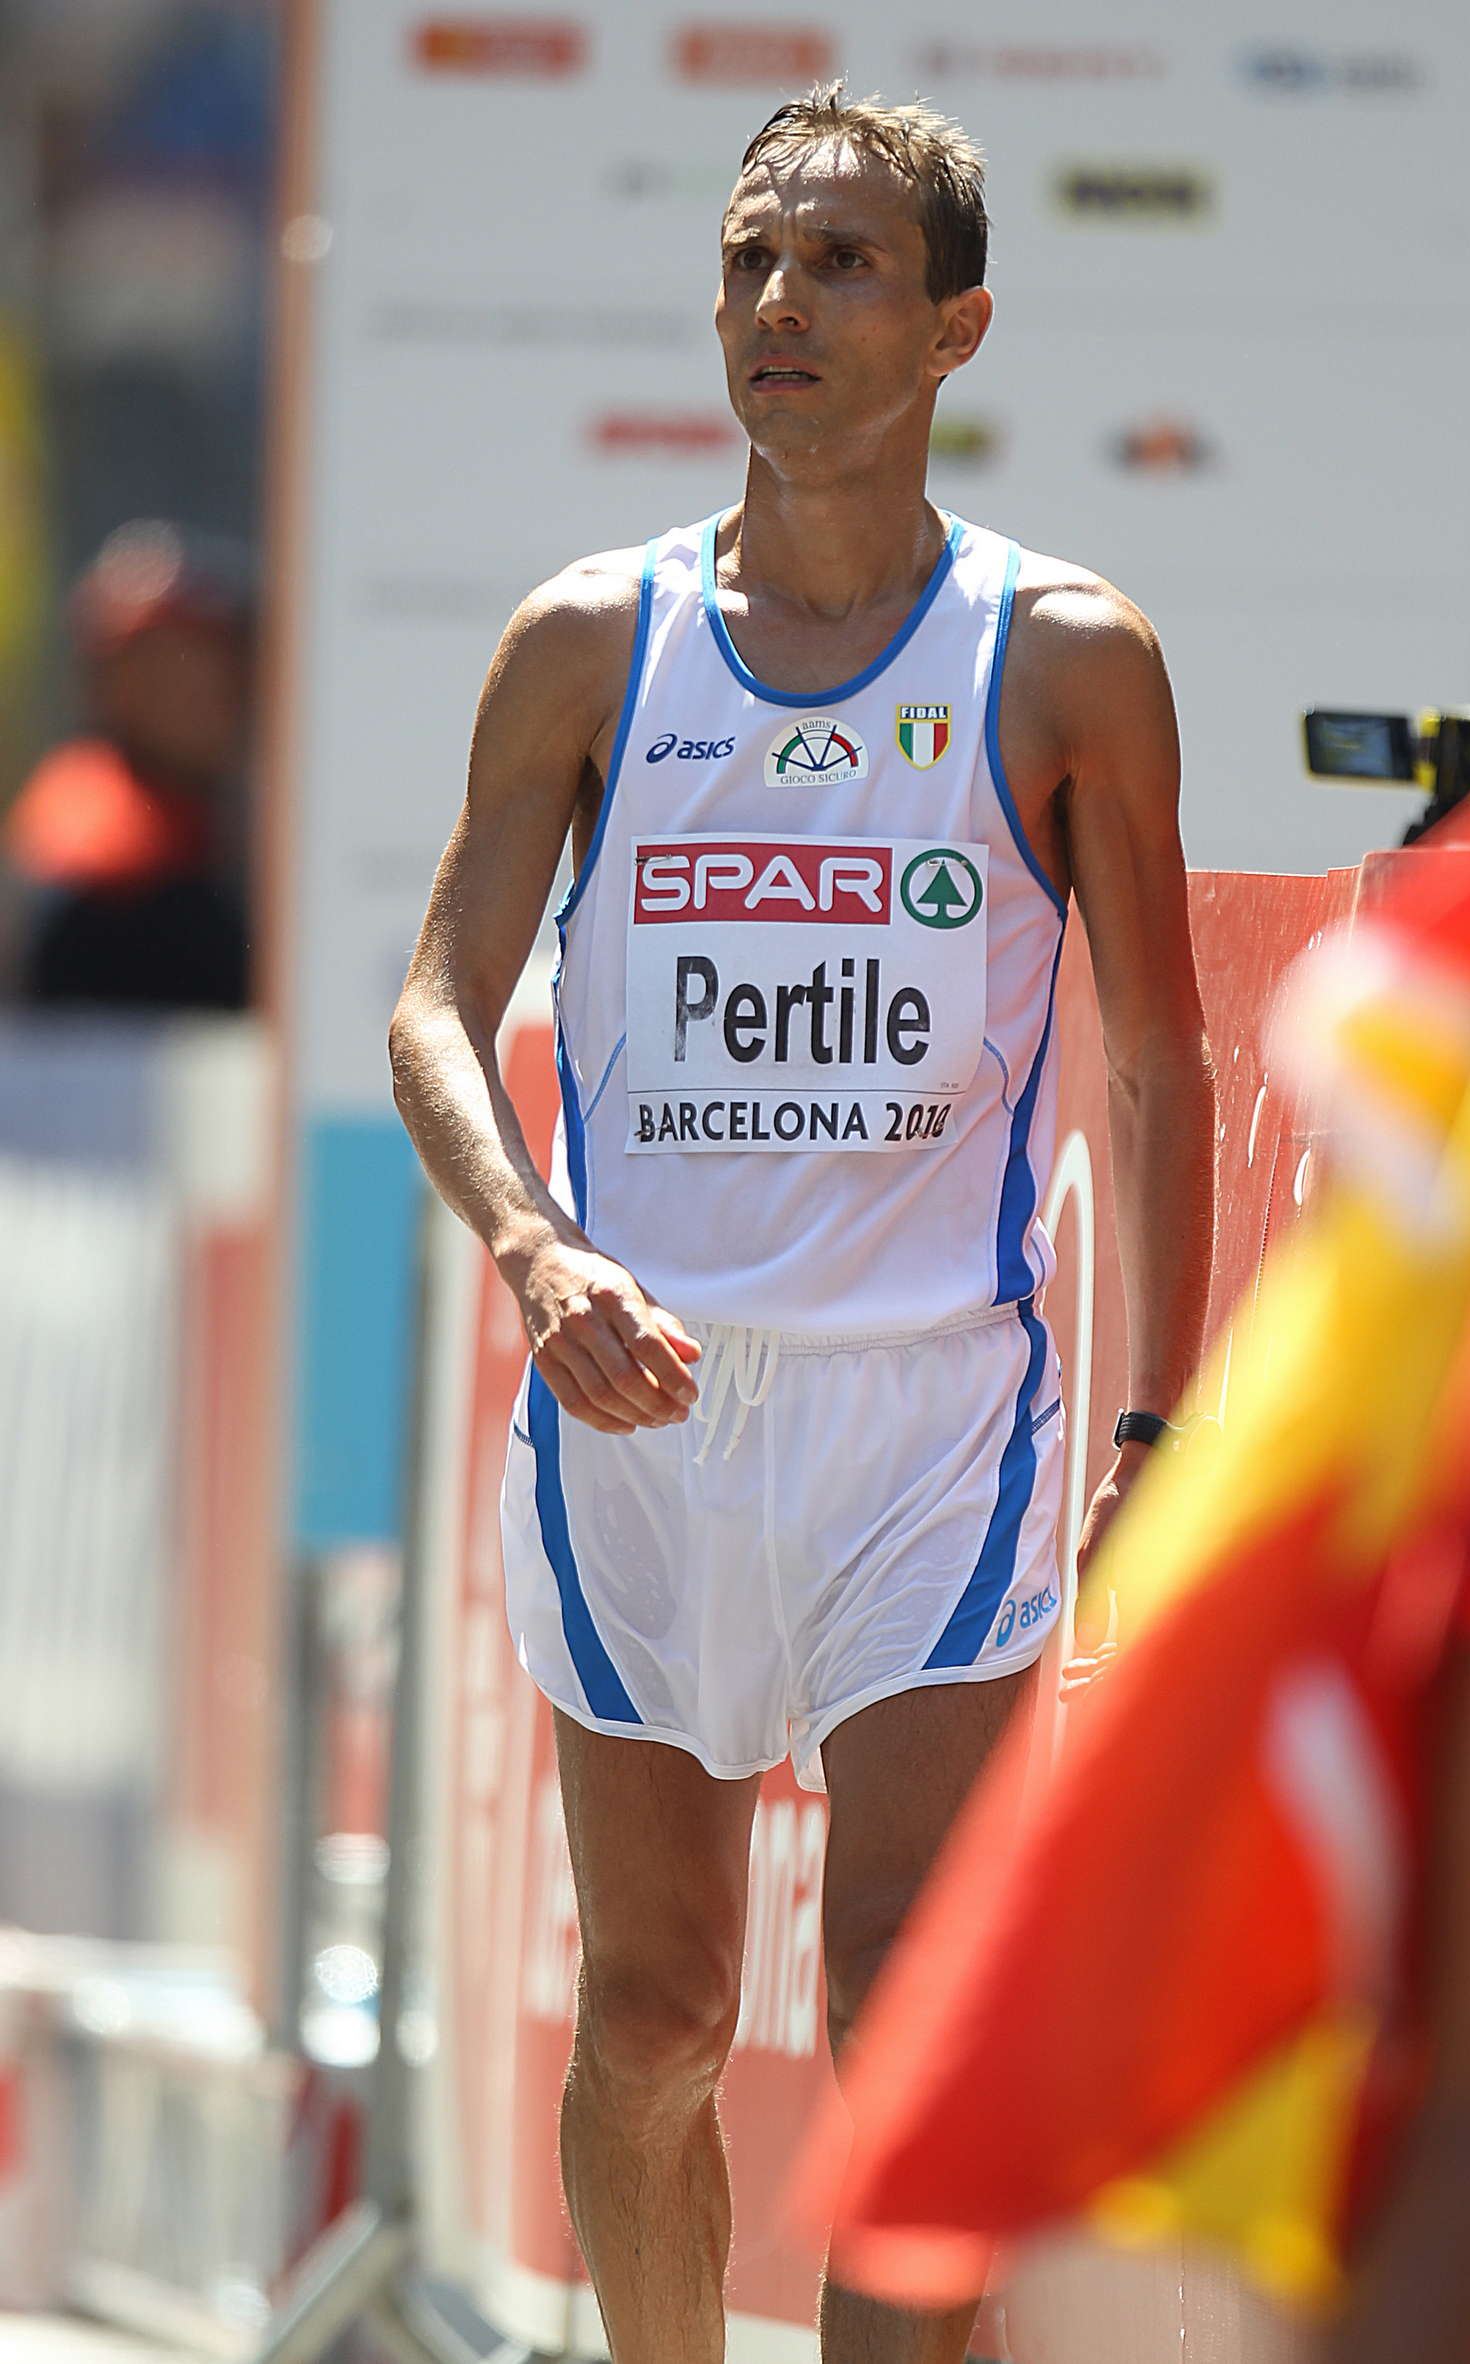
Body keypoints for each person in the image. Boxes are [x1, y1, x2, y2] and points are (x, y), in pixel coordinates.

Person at [391, 84, 1214, 2364]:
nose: (780, 301)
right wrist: (536, 1245)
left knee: (900, 2004)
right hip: (638, 1406)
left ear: (954, 327)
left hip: (929, 1421)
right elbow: (435, 1007)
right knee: (653, 2012)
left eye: (841, 262)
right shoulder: (590, 638)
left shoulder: (1066, 651)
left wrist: (1158, 1421)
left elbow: (1160, 1062)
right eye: (753, 257)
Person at [1, 519, 251, 1009]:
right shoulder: (96, 826)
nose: (196, 692)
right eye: (163, 666)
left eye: (214, 661)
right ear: (108, 684)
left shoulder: (227, 802)